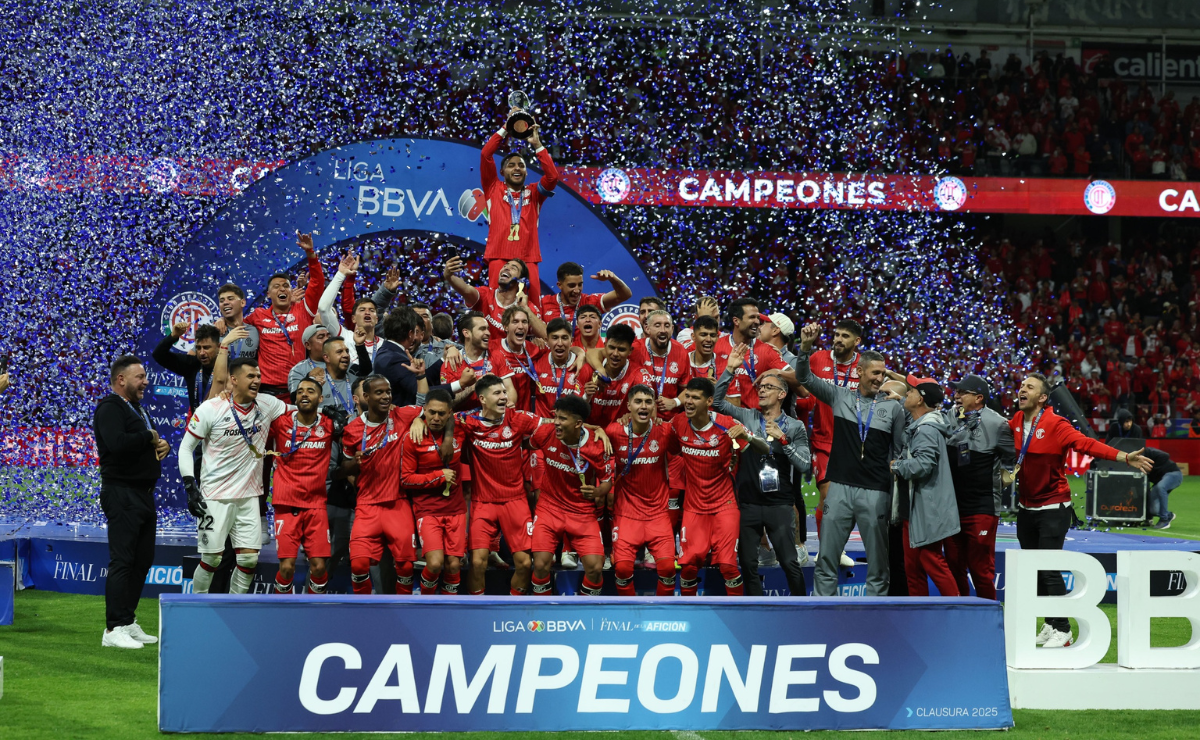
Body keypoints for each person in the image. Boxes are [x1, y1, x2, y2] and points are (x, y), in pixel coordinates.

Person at [1009, 373, 1152, 648]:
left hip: (1053, 506)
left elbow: (1086, 443)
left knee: (1049, 570)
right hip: (1026, 507)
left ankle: (1064, 630)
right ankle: (1051, 622)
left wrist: (1124, 456)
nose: (1021, 390)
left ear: (1042, 397)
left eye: (1029, 387)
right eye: (1021, 386)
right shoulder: (1015, 421)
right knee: (1034, 570)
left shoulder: (1055, 423)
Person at [795, 322, 906, 597]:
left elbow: (902, 449)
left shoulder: (893, 408)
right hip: (840, 488)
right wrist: (805, 349)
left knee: (879, 566)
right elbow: (804, 378)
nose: (879, 379)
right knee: (826, 560)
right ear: (859, 372)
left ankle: (872, 617)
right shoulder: (839, 396)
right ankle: (824, 613)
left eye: (882, 373)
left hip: (875, 491)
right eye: (875, 373)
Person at [178, 359, 291, 594]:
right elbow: (186, 448)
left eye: (259, 376)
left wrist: (328, 410)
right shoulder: (211, 409)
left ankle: (235, 607)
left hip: (249, 497)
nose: (257, 380)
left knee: (249, 560)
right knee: (211, 560)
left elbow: (302, 410)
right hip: (214, 497)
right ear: (234, 380)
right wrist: (190, 486)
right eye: (251, 376)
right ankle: (195, 608)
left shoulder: (268, 404)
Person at [715, 351, 812, 597]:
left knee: (789, 561)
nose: (761, 390)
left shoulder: (794, 426)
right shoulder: (748, 416)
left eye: (768, 387)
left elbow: (804, 466)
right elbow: (716, 403)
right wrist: (729, 370)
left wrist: (784, 440)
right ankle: (757, 608)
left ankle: (801, 608)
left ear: (782, 394)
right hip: (748, 502)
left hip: (778, 504)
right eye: (760, 386)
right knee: (748, 564)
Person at [93, 355, 168, 649]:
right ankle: (113, 629)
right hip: (121, 492)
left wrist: (160, 444)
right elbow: (117, 444)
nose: (145, 382)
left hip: (143, 494)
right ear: (121, 379)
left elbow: (141, 441)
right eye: (140, 377)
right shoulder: (110, 407)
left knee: (142, 560)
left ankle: (127, 620)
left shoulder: (135, 408)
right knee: (123, 561)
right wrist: (148, 435)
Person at [457, 374, 550, 595]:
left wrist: (595, 428)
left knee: (525, 564)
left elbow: (553, 424)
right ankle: (477, 612)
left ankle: (513, 606)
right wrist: (415, 419)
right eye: (497, 393)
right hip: (483, 502)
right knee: (478, 563)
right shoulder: (467, 421)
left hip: (515, 501)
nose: (504, 397)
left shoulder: (517, 418)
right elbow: (438, 413)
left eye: (504, 392)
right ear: (482, 398)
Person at [338, 374, 427, 595]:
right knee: (358, 566)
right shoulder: (352, 430)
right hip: (367, 505)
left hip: (398, 503)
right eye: (379, 392)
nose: (386, 396)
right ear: (366, 396)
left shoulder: (403, 415)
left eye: (388, 391)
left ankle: (403, 609)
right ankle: (365, 612)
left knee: (406, 566)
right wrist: (354, 463)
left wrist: (419, 419)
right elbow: (343, 469)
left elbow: (432, 407)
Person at [668, 378, 750, 596]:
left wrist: (745, 437)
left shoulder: (727, 423)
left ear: (709, 401)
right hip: (694, 509)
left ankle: (735, 615)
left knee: (728, 566)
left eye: (696, 397)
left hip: (725, 506)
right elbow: (673, 448)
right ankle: (688, 614)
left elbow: (757, 448)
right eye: (687, 396)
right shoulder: (678, 423)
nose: (689, 401)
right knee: (688, 567)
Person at [528, 395, 615, 596]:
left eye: (562, 419)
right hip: (549, 507)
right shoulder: (545, 433)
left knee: (595, 567)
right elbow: (526, 443)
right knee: (541, 564)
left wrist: (596, 492)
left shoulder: (596, 446)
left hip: (581, 511)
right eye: (555, 417)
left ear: (578, 423)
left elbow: (607, 482)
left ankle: (584, 612)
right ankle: (545, 611)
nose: (556, 422)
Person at [943, 374, 1013, 600]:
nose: (956, 396)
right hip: (952, 507)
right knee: (954, 566)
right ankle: (961, 615)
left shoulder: (998, 424)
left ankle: (989, 617)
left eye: (962, 392)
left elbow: (1016, 453)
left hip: (982, 507)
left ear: (979, 397)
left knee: (981, 569)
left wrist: (1007, 475)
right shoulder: (949, 418)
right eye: (956, 392)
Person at [606, 386, 681, 596]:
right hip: (627, 514)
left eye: (648, 402)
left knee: (667, 569)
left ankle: (663, 614)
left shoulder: (665, 431)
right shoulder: (612, 431)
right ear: (628, 406)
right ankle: (629, 616)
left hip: (657, 514)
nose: (643, 406)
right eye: (638, 401)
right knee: (621, 569)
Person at [891, 375, 960, 597]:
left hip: (925, 508)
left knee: (931, 561)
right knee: (913, 567)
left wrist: (896, 466)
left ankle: (957, 609)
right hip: (913, 507)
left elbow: (923, 464)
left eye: (910, 392)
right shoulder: (921, 425)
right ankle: (918, 615)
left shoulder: (927, 429)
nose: (906, 395)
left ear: (920, 399)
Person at [266, 377, 335, 594]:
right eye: (300, 391)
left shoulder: (330, 424)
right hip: (286, 504)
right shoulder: (280, 422)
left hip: (316, 504)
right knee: (286, 568)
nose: (304, 394)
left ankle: (316, 611)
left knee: (319, 567)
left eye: (311, 391)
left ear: (320, 398)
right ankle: (281, 612)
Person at [480, 116, 558, 306]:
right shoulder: (493, 188)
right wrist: (506, 127)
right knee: (495, 306)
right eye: (511, 165)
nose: (517, 168)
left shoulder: (534, 193)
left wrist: (537, 145)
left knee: (532, 308)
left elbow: (552, 177)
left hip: (528, 259)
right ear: (502, 172)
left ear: (526, 172)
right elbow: (485, 155)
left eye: (521, 165)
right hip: (499, 256)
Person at [806, 319, 863, 569]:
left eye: (845, 336)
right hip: (824, 441)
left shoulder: (865, 364)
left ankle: (837, 548)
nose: (838, 339)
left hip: (854, 445)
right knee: (828, 497)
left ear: (856, 342)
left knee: (849, 503)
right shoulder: (818, 358)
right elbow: (800, 377)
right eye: (836, 334)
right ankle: (826, 549)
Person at [242, 233, 325, 398]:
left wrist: (310, 255)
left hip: (296, 390)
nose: (282, 289)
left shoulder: (303, 310)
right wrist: (222, 321)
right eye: (276, 286)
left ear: (290, 290)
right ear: (268, 294)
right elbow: (236, 324)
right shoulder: (258, 315)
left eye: (286, 286)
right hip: (265, 392)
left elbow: (317, 282)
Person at [401, 389, 467, 594]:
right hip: (428, 510)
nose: (435, 418)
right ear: (424, 411)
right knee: (435, 563)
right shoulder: (413, 437)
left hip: (455, 509)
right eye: (431, 413)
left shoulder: (460, 430)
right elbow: (406, 479)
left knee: (455, 566)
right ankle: (426, 604)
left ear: (450, 414)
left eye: (441, 413)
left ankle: (450, 609)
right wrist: (438, 476)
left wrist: (448, 436)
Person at [443, 255, 546, 344]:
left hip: (509, 363)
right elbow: (466, 289)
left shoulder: (526, 307)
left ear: (521, 281)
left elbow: (547, 336)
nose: (506, 268)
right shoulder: (485, 294)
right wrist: (448, 276)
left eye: (513, 268)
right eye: (505, 266)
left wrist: (525, 309)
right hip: (481, 358)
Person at [714, 298, 794, 410]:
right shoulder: (716, 346)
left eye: (757, 317)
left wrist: (778, 372)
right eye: (752, 317)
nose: (757, 321)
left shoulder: (766, 351)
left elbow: (797, 379)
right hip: (719, 419)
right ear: (736, 321)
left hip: (752, 422)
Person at [540, 262, 632, 338]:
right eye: (571, 286)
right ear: (559, 285)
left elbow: (624, 295)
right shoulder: (544, 303)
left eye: (580, 285)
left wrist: (613, 279)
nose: (577, 290)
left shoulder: (590, 302)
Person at [152, 322, 222, 412]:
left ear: (219, 347)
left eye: (206, 348)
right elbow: (158, 355)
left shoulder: (229, 367)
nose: (202, 353)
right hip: (198, 423)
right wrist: (173, 336)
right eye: (198, 348)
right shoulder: (191, 364)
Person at [584, 323, 644, 428]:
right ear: (605, 345)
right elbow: (573, 411)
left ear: (630, 351)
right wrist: (586, 396)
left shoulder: (638, 374)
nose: (615, 354)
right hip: (592, 434)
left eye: (621, 349)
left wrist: (634, 415)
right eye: (611, 347)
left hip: (621, 437)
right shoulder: (589, 370)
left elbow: (650, 409)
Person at [491, 304, 545, 413]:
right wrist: (451, 349)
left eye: (524, 322)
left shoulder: (535, 349)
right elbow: (469, 352)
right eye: (515, 322)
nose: (520, 326)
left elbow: (562, 348)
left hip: (525, 414)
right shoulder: (491, 348)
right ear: (505, 327)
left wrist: (580, 352)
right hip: (501, 413)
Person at [373, 307, 430, 407]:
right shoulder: (396, 358)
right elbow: (420, 392)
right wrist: (459, 384)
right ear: (410, 334)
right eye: (414, 332)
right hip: (402, 418)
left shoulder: (386, 350)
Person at [439, 312, 487, 410]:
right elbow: (448, 404)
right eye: (482, 329)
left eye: (488, 329)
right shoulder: (451, 362)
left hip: (493, 423)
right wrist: (474, 387)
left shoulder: (496, 355)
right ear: (466, 333)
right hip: (462, 422)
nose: (488, 333)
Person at [215, 283, 260, 361]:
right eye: (221, 300)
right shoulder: (214, 331)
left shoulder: (255, 331)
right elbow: (192, 358)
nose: (225, 302)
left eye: (230, 298)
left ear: (242, 303)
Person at [287, 324, 331, 395]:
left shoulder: (341, 363)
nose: (327, 340)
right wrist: (309, 379)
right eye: (321, 337)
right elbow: (295, 399)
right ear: (308, 345)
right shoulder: (298, 370)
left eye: (329, 336)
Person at [1143, 447, 1181, 529]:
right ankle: (1168, 515)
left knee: (1161, 487)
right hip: (1159, 481)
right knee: (1153, 510)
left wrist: (1153, 469)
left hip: (1173, 474)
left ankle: (1164, 520)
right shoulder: (1133, 462)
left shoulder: (1147, 451)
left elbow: (1165, 455)